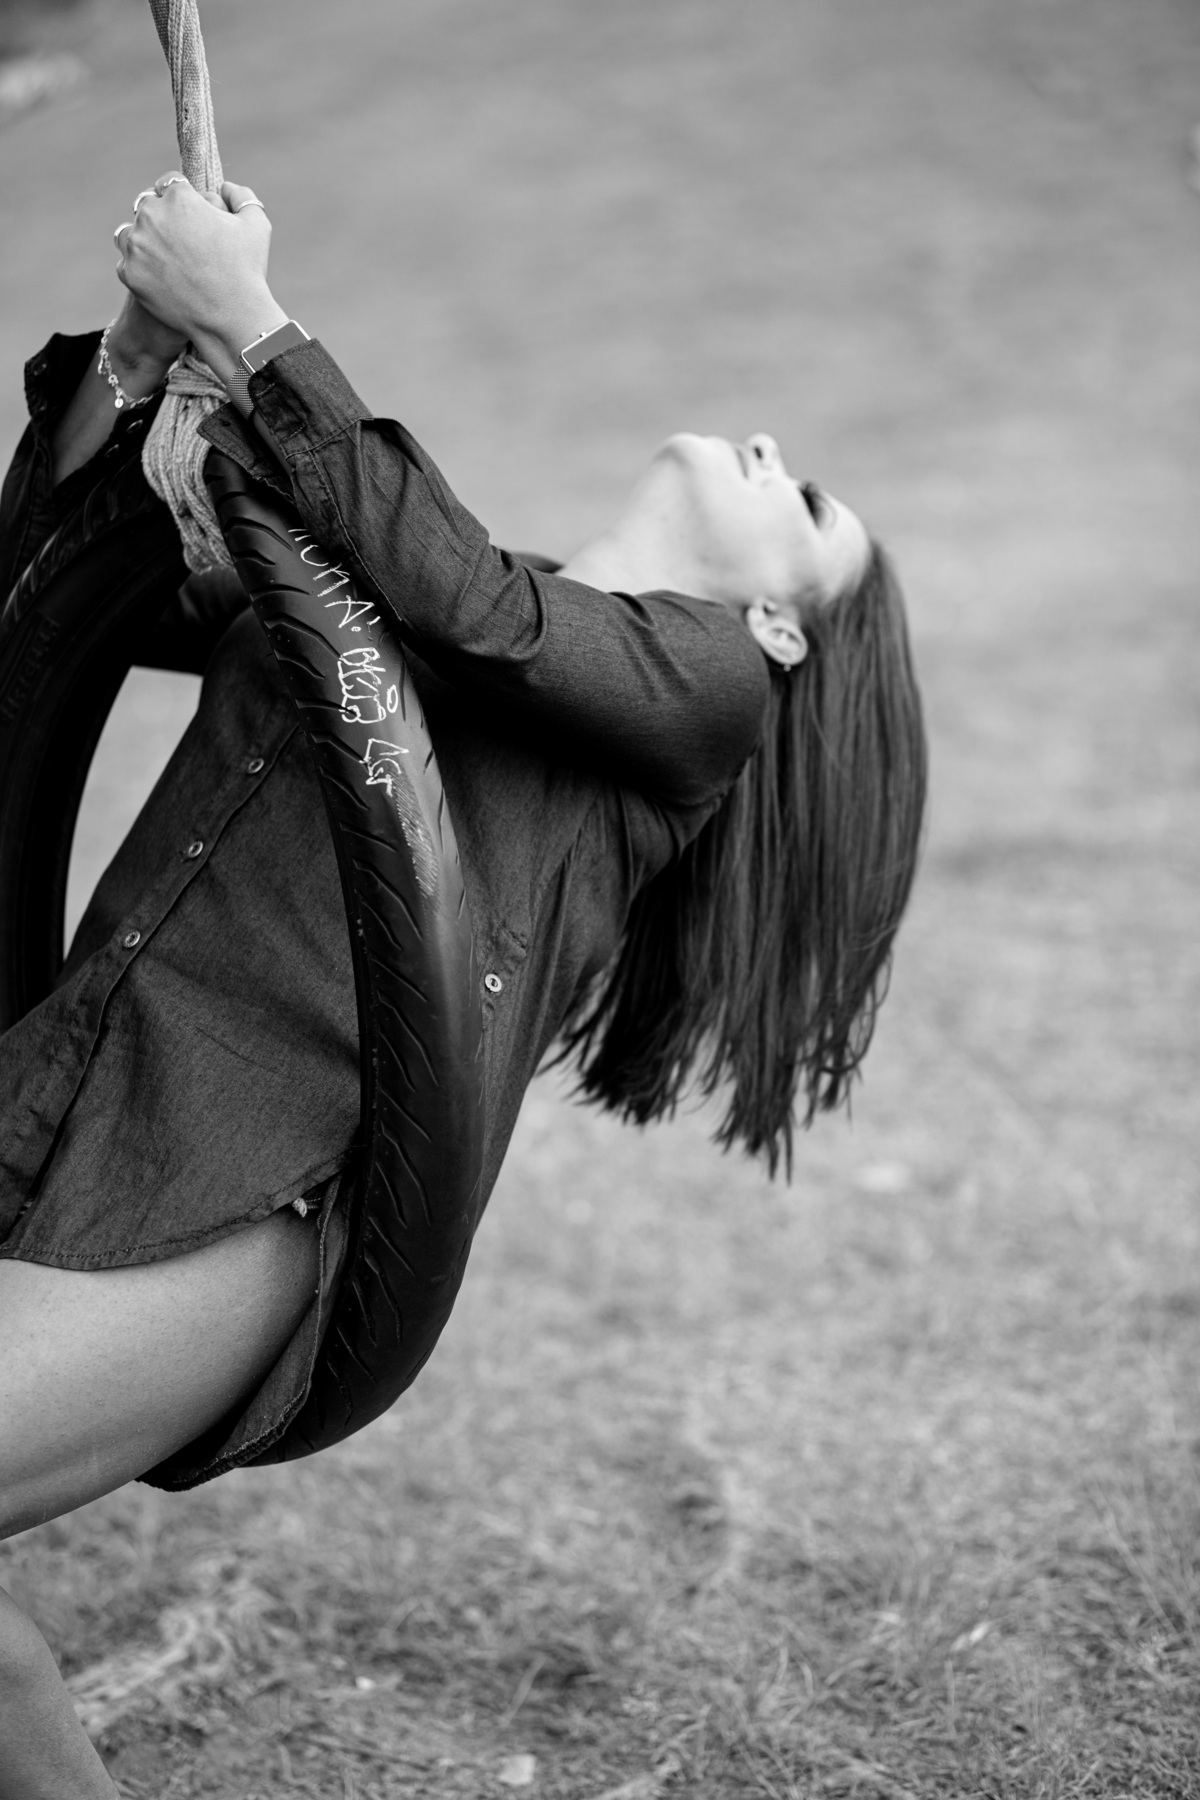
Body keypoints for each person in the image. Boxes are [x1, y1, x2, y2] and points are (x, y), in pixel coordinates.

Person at [0, 172, 927, 1796]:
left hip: (233, 1207)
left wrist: (256, 324)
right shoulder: (382, 590)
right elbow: (75, 576)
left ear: (779, 625)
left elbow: (476, 614)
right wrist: (147, 352)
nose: (774, 449)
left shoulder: (697, 703)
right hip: (70, 1085)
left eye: (809, 498)